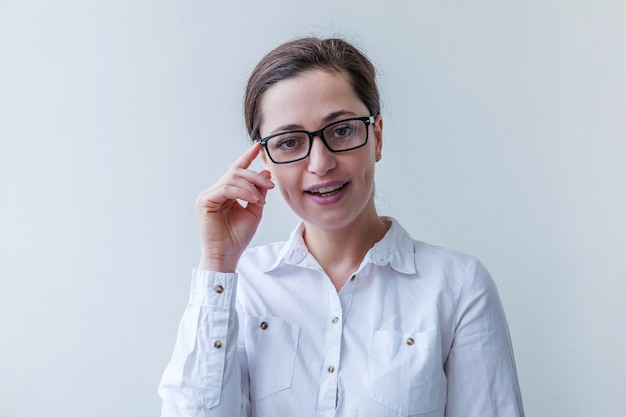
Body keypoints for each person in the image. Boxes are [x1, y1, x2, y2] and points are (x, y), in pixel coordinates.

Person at [158, 37, 525, 417]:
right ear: (265, 159)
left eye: (342, 131)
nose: (320, 163)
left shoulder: (458, 286)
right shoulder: (243, 286)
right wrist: (217, 260)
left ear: (377, 137)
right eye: (289, 142)